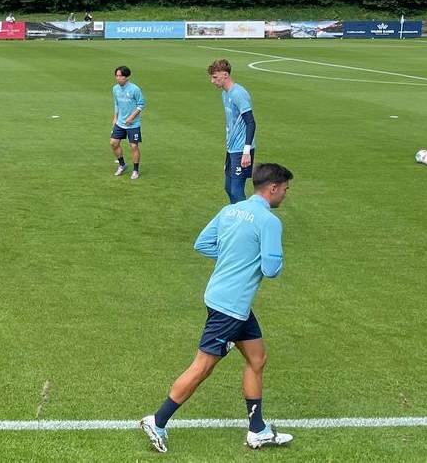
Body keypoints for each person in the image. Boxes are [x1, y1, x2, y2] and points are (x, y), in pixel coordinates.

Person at [140, 163, 296, 453]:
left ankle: (257, 430)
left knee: (257, 358)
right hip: (231, 308)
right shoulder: (269, 221)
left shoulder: (230, 210)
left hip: (225, 300)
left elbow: (203, 243)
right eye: (285, 189)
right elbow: (271, 269)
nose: (285, 195)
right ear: (272, 188)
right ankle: (157, 421)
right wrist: (252, 259)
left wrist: (233, 257)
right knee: (202, 367)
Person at [208, 59, 256, 203]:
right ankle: (237, 216)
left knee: (236, 190)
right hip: (232, 148)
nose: (212, 81)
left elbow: (251, 122)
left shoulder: (238, 94)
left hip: (242, 149)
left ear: (225, 75)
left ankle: (245, 221)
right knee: (228, 187)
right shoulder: (225, 94)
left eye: (215, 77)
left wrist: (246, 151)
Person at [110, 65, 146, 179]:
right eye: (116, 76)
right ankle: (122, 165)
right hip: (120, 122)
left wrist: (131, 117)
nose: (118, 78)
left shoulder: (135, 89)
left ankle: (135, 170)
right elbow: (116, 103)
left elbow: (141, 104)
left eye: (120, 76)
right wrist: (115, 117)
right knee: (113, 143)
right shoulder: (115, 88)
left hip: (133, 124)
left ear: (127, 77)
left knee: (133, 146)